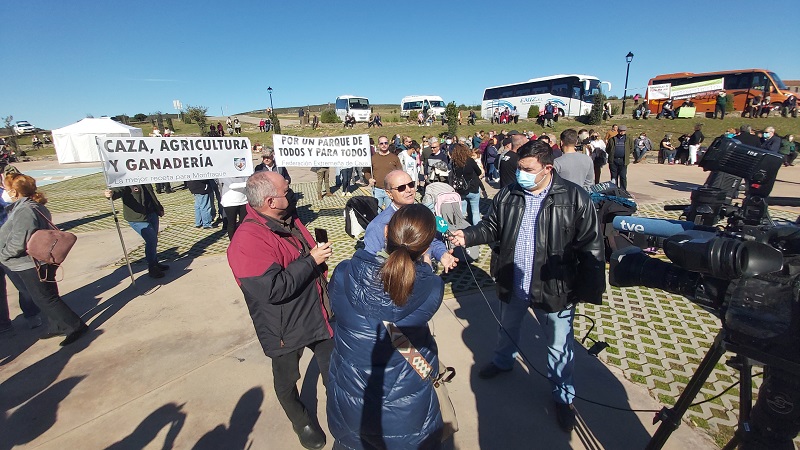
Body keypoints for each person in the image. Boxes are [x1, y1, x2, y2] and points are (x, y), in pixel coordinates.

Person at [449, 140, 605, 433]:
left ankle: (563, 398)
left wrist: (587, 289)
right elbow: (491, 227)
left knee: (559, 346)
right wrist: (467, 236)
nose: (520, 173)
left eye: (527, 169)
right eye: (519, 167)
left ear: (547, 168)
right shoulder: (509, 193)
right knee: (507, 327)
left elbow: (592, 247)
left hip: (555, 287)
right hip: (513, 280)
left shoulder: (574, 197)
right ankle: (502, 361)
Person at [227, 171, 333, 450]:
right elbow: (272, 290)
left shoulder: (290, 217)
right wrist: (311, 261)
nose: (292, 193)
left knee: (335, 372)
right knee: (286, 382)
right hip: (284, 327)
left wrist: (317, 260)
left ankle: (342, 416)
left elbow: (303, 252)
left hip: (319, 313)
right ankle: (301, 421)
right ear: (271, 201)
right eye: (287, 191)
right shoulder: (247, 240)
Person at [328, 203, 445, 448]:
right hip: (406, 406)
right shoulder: (432, 288)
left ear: (385, 233)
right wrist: (425, 264)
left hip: (351, 398)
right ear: (426, 247)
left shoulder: (343, 273)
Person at [1, 174, 89, 345]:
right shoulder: (29, 206)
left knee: (44, 298)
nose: (4, 192)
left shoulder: (25, 210)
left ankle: (75, 325)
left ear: (14, 191)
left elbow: (19, 240)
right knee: (48, 294)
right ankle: (57, 325)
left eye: (6, 188)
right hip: (36, 261)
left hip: (30, 263)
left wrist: (3, 254)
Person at [363, 170, 457, 274]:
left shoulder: (423, 214)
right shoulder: (378, 225)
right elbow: (371, 262)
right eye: (401, 188)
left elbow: (433, 241)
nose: (409, 190)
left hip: (425, 277)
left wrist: (442, 254)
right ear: (389, 193)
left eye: (411, 185)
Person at [0, 167, 41, 334]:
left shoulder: (8, 191)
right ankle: (3, 323)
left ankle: (31, 313)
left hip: (8, 244)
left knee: (24, 285)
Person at [105, 183, 169, 278]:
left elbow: (151, 195)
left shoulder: (144, 179)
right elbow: (118, 191)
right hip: (137, 218)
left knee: (153, 240)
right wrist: (111, 193)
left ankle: (155, 262)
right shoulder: (126, 181)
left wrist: (159, 207)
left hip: (152, 214)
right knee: (151, 240)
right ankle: (152, 267)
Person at [451, 144, 483, 226]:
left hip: (461, 189)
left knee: (462, 212)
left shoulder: (454, 163)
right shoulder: (470, 160)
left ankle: (462, 228)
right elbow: (479, 172)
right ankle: (477, 229)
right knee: (475, 211)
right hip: (473, 188)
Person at [370, 136, 402, 210]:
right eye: (381, 143)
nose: (384, 145)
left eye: (386, 143)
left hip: (391, 190)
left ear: (388, 144)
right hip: (377, 189)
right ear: (378, 145)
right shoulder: (373, 158)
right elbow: (366, 171)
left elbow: (400, 172)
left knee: (390, 213)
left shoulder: (394, 158)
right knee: (376, 212)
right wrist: (369, 179)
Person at [606, 125, 634, 190]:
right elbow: (607, 149)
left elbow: (631, 148)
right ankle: (614, 190)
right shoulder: (612, 139)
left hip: (623, 160)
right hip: (613, 160)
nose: (622, 132)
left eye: (623, 131)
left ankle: (623, 190)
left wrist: (626, 154)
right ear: (618, 131)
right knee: (613, 177)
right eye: (621, 131)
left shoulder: (628, 139)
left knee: (623, 176)